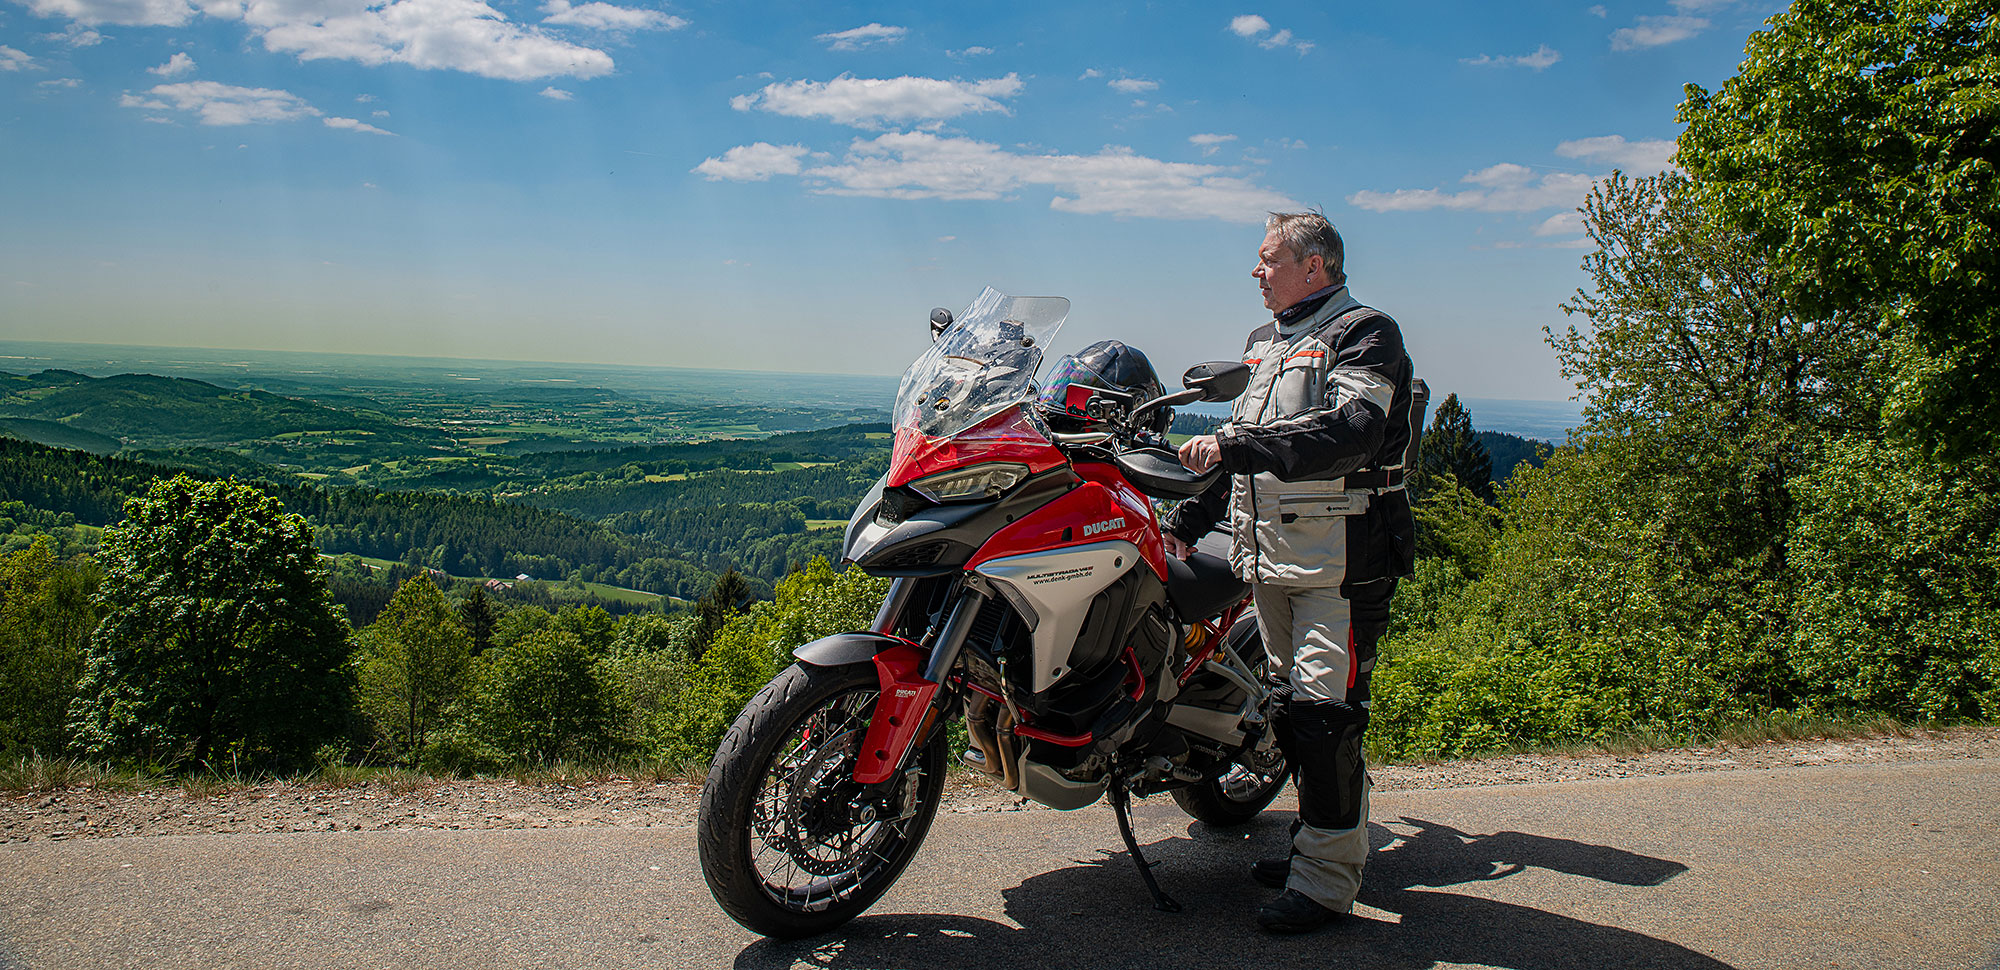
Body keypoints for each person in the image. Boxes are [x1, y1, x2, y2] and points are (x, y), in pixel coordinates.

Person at [1162, 211, 1418, 933]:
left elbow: (1351, 432)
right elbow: (1239, 463)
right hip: (1270, 558)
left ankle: (1327, 884)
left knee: (1325, 716)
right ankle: (1318, 846)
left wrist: (1235, 444)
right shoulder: (1265, 344)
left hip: (1342, 563)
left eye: (1268, 258)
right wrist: (1183, 526)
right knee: (1290, 712)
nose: (1256, 270)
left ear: (1316, 266)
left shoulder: (1366, 333)